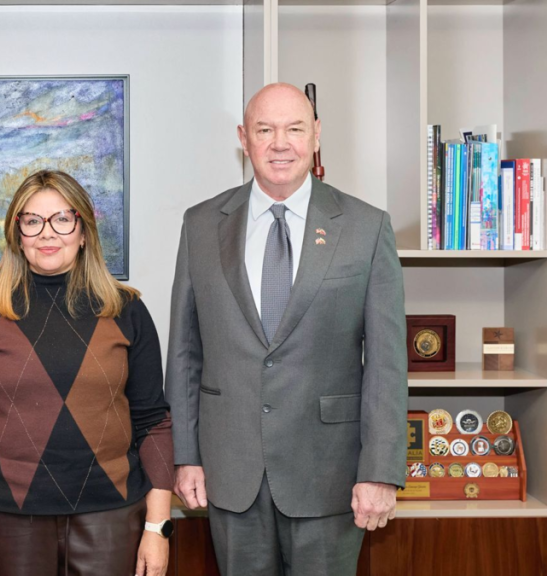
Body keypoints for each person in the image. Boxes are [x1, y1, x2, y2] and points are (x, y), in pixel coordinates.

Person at [165, 83, 408, 575]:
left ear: (316, 135)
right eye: (265, 130)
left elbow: (386, 363)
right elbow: (185, 353)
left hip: (331, 475)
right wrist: (185, 456)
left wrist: (380, 471)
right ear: (244, 139)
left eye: (295, 129)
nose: (280, 143)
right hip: (230, 472)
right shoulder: (201, 225)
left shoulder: (366, 227)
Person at [0, 170, 175, 576]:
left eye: (63, 219)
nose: (47, 232)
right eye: (33, 220)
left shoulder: (127, 310)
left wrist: (158, 527)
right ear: (17, 234)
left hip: (111, 518)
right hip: (7, 520)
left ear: (83, 232)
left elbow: (153, 421)